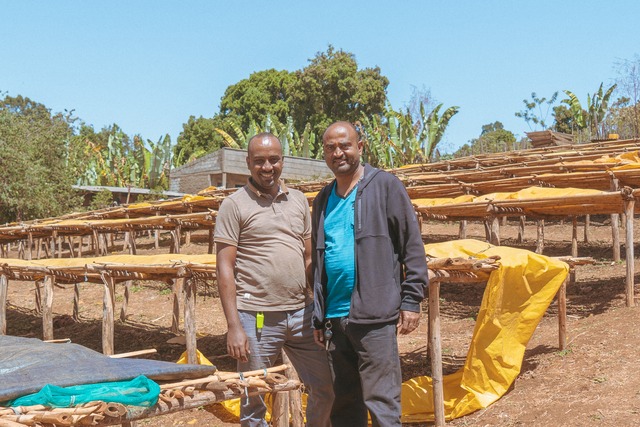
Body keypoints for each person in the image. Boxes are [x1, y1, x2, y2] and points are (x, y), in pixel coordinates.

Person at [311, 121, 428, 427]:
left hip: (374, 316)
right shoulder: (323, 199)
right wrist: (318, 315)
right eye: (331, 148)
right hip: (335, 319)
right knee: (344, 404)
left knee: (382, 402)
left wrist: (411, 300)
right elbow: (319, 260)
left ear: (360, 147)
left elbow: (411, 245)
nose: (338, 153)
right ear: (324, 152)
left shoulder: (385, 186)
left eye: (345, 145)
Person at [214, 132, 334, 427]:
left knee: (327, 388)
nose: (267, 167)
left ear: (283, 161)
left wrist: (322, 305)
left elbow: (308, 257)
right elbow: (225, 267)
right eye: (259, 161)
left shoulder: (297, 201)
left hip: (302, 314)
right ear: (248, 163)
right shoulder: (234, 205)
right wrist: (234, 327)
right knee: (253, 397)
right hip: (256, 317)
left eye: (273, 160)